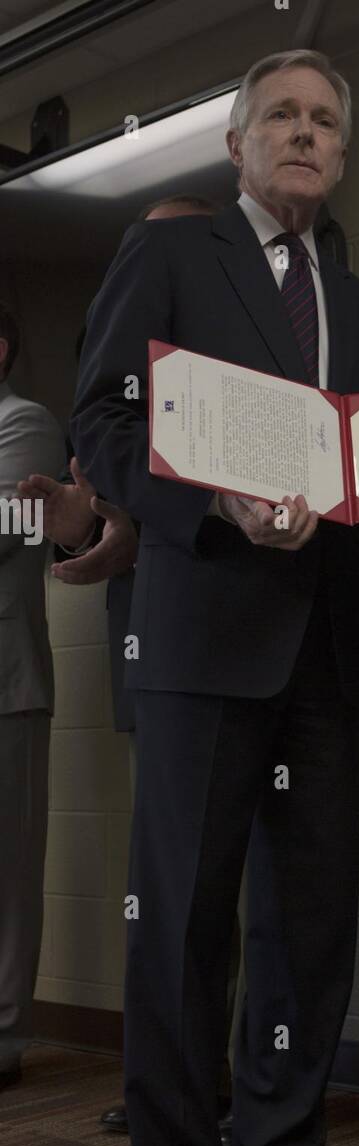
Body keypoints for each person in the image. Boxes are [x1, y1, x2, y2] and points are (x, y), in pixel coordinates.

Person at [70, 50, 359, 1146]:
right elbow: (102, 415)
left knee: (309, 922)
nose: (302, 135)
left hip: (330, 650)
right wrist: (212, 504)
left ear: (343, 152)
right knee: (187, 918)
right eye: (280, 118)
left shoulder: (357, 305)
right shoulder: (169, 254)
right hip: (203, 637)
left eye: (323, 120)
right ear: (237, 146)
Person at [20, 195, 238, 1146]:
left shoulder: (241, 356)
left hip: (254, 637)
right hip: (149, 632)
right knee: (173, 876)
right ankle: (177, 1084)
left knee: (257, 879)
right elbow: (105, 505)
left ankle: (245, 1088)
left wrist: (130, 527)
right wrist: (87, 520)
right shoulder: (120, 375)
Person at [0, 301, 66, 1089]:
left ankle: (5, 1037)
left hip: (5, 681)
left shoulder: (26, 423)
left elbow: (10, 523)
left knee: (8, 868)